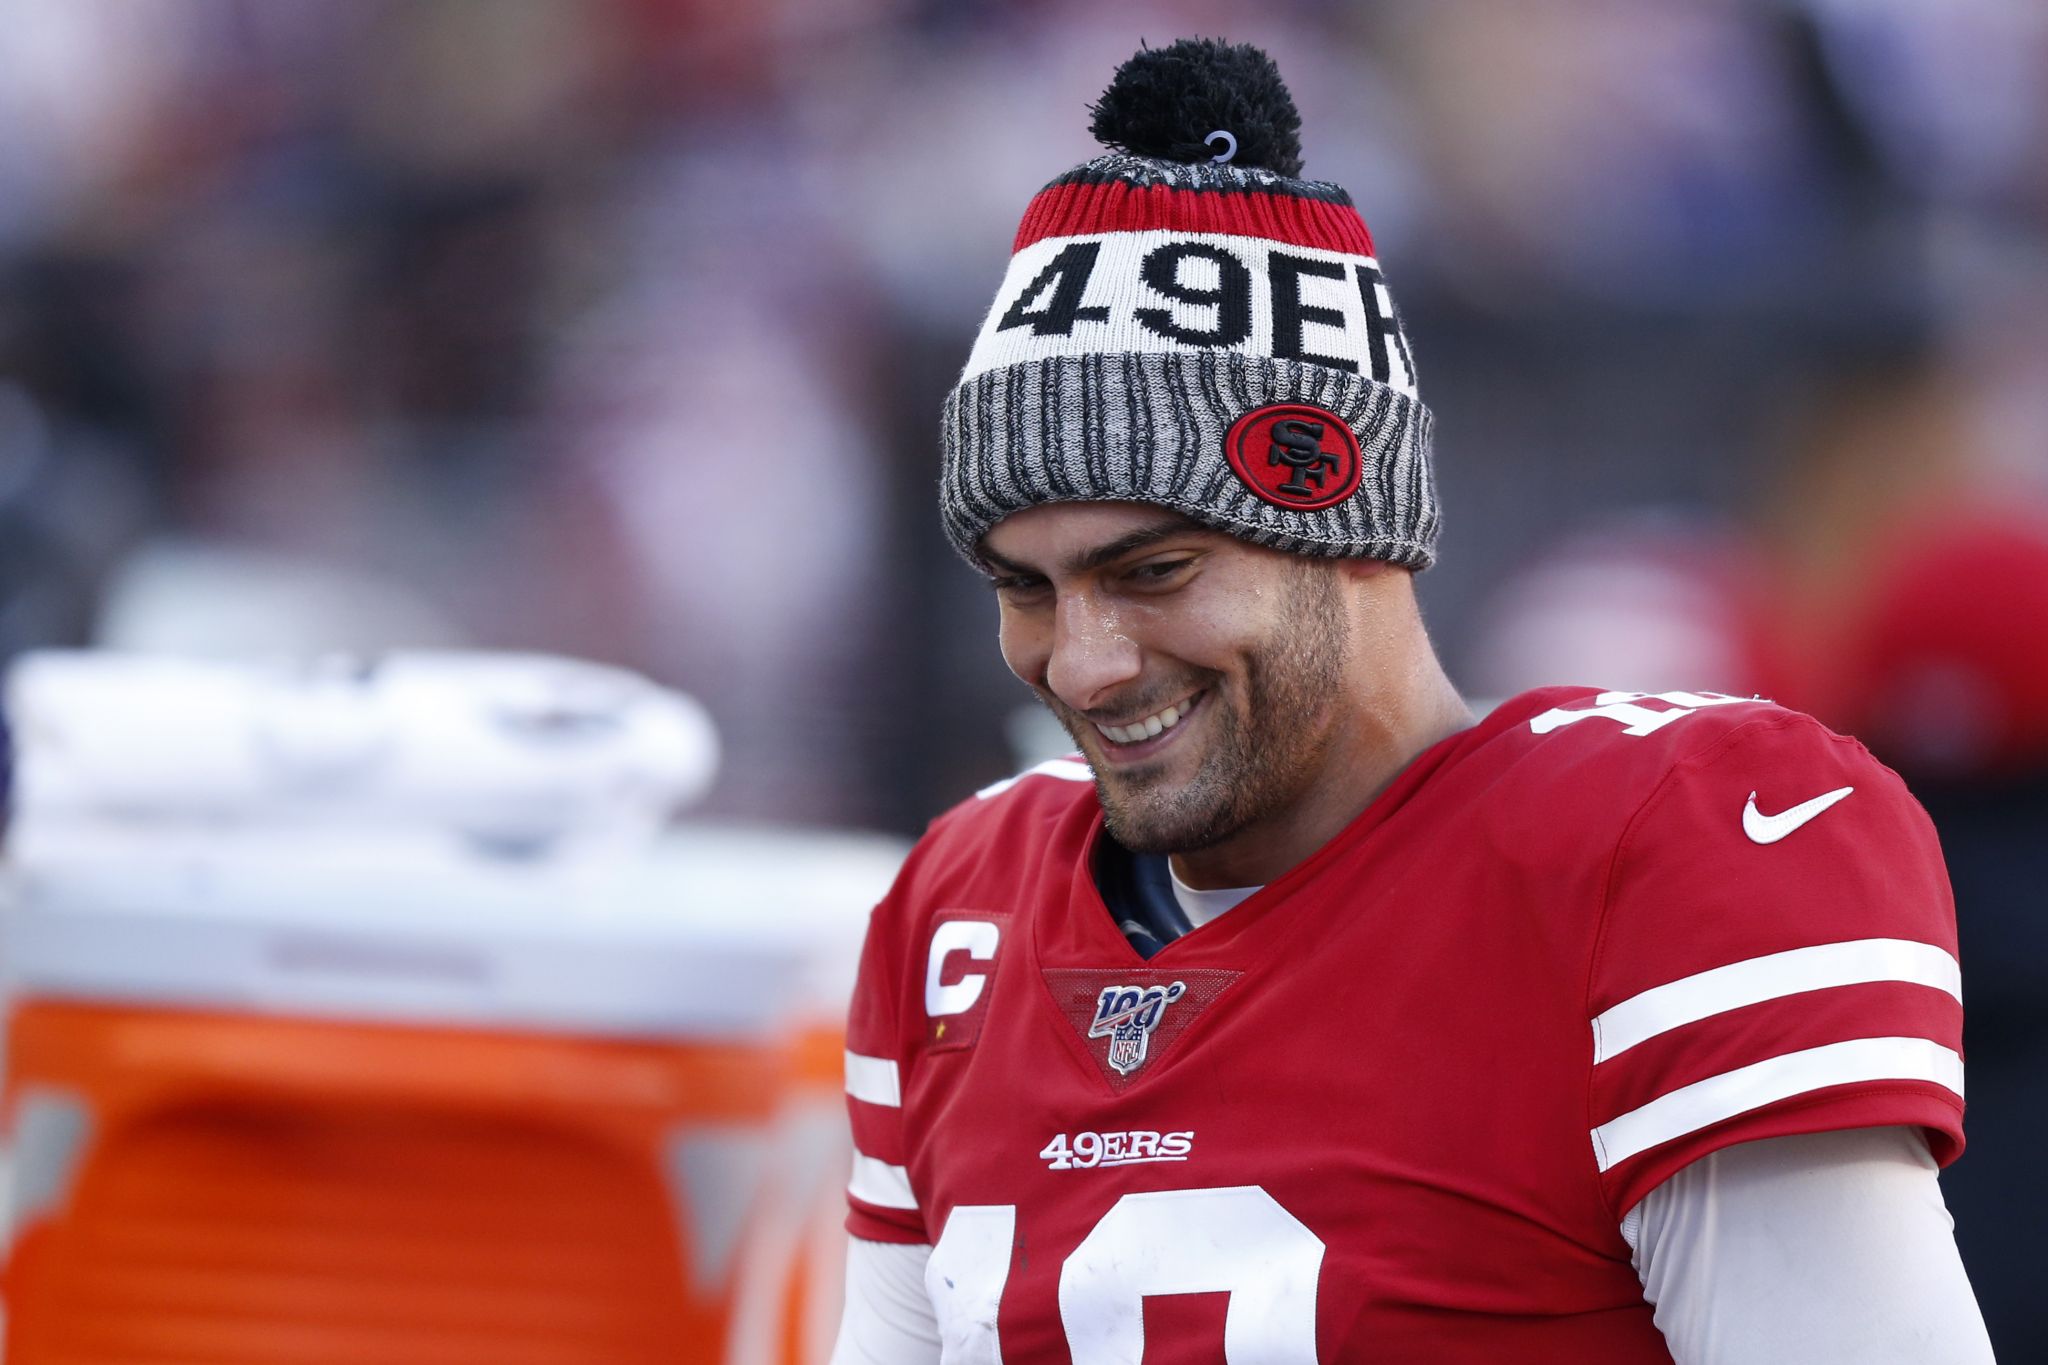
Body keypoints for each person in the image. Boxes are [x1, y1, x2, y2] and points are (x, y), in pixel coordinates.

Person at [831, 40, 1993, 1364]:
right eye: (1024, 587)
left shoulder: (1654, 850)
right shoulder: (957, 908)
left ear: (1354, 528)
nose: (1084, 661)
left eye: (1152, 570)